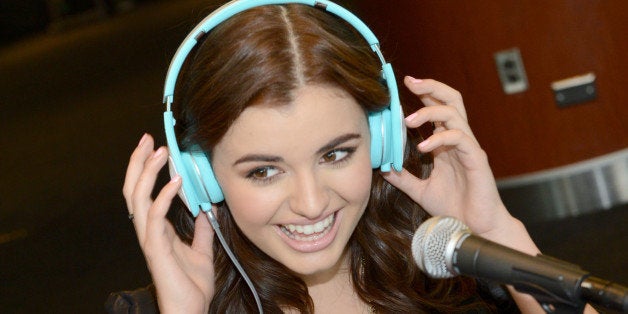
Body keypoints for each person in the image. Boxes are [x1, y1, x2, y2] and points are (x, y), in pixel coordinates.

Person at [118, 1, 595, 313]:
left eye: (336, 154)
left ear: (382, 139)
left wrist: (497, 235)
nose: (310, 203)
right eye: (264, 171)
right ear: (200, 176)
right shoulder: (166, 306)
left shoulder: (450, 275)